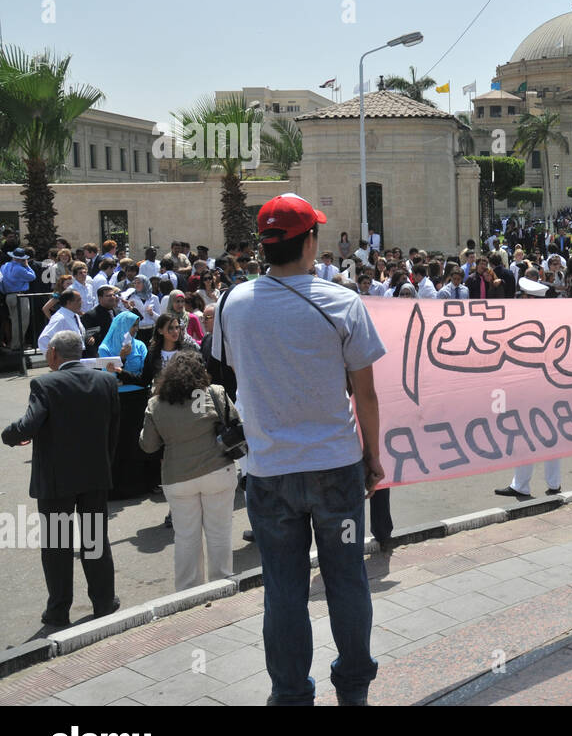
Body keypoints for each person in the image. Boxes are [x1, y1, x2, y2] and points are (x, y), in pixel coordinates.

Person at [212, 192, 387, 706]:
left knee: (283, 589)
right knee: (347, 581)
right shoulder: (342, 302)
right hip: (336, 468)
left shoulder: (230, 304)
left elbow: (227, 372)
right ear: (309, 241)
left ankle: (289, 694)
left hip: (269, 472)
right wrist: (372, 457)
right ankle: (353, 689)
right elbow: (367, 394)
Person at [3, 329, 120, 627]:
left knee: (57, 546)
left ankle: (59, 609)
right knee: (95, 541)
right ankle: (104, 602)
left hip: (57, 482)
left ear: (54, 353)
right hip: (94, 475)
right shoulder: (106, 381)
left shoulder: (45, 383)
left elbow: (28, 425)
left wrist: (9, 435)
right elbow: (114, 430)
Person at [139, 351, 240, 591]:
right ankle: (222, 585)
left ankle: (187, 592)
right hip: (218, 471)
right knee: (219, 533)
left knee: (185, 537)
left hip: (178, 477)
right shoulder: (215, 392)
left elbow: (149, 445)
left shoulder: (156, 403)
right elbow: (235, 423)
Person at [96, 311, 161, 499]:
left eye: (136, 326)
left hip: (139, 396)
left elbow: (145, 373)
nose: (135, 330)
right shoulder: (106, 348)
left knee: (141, 438)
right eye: (132, 326)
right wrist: (121, 357)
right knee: (121, 440)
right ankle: (120, 486)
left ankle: (145, 482)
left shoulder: (140, 346)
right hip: (119, 399)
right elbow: (108, 376)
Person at [2, 247, 36, 349]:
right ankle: (17, 344)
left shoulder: (4, 266)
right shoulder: (20, 269)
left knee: (14, 321)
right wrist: (27, 265)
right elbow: (32, 276)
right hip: (20, 296)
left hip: (8, 296)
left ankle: (15, 343)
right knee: (22, 322)